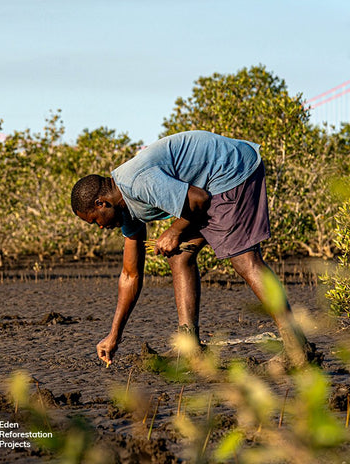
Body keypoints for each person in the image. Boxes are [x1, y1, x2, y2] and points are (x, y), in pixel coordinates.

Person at [71, 130, 319, 369]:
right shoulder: (123, 208)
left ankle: (297, 347)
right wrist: (114, 336)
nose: (101, 228)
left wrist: (174, 231)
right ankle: (189, 347)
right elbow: (130, 275)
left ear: (101, 203)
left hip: (231, 171)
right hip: (211, 184)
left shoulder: (138, 182)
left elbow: (199, 200)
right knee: (180, 256)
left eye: (95, 221)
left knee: (244, 260)